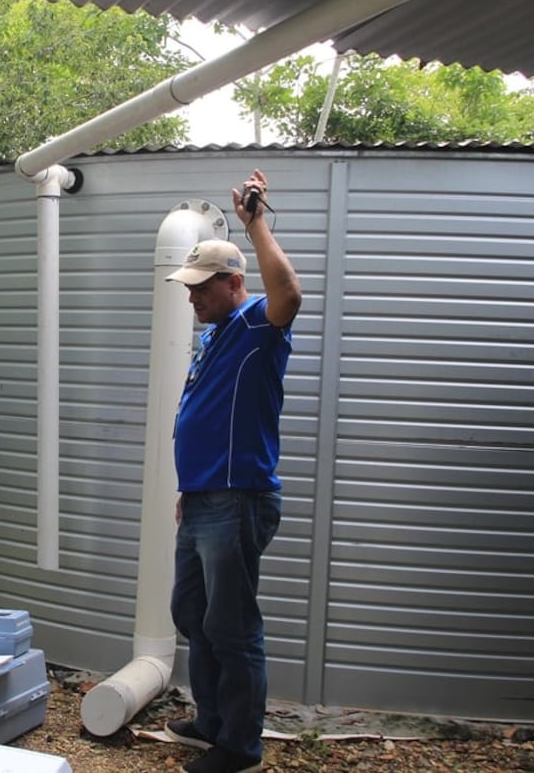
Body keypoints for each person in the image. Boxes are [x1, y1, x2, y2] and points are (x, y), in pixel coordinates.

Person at [162, 169, 302, 773]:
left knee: (233, 625)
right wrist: (188, 490)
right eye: (188, 286)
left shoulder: (255, 329)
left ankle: (240, 747)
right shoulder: (216, 336)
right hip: (201, 500)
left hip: (236, 501)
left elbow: (289, 295)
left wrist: (255, 223)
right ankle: (212, 719)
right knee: (191, 613)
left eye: (200, 287)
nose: (190, 296)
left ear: (233, 283)